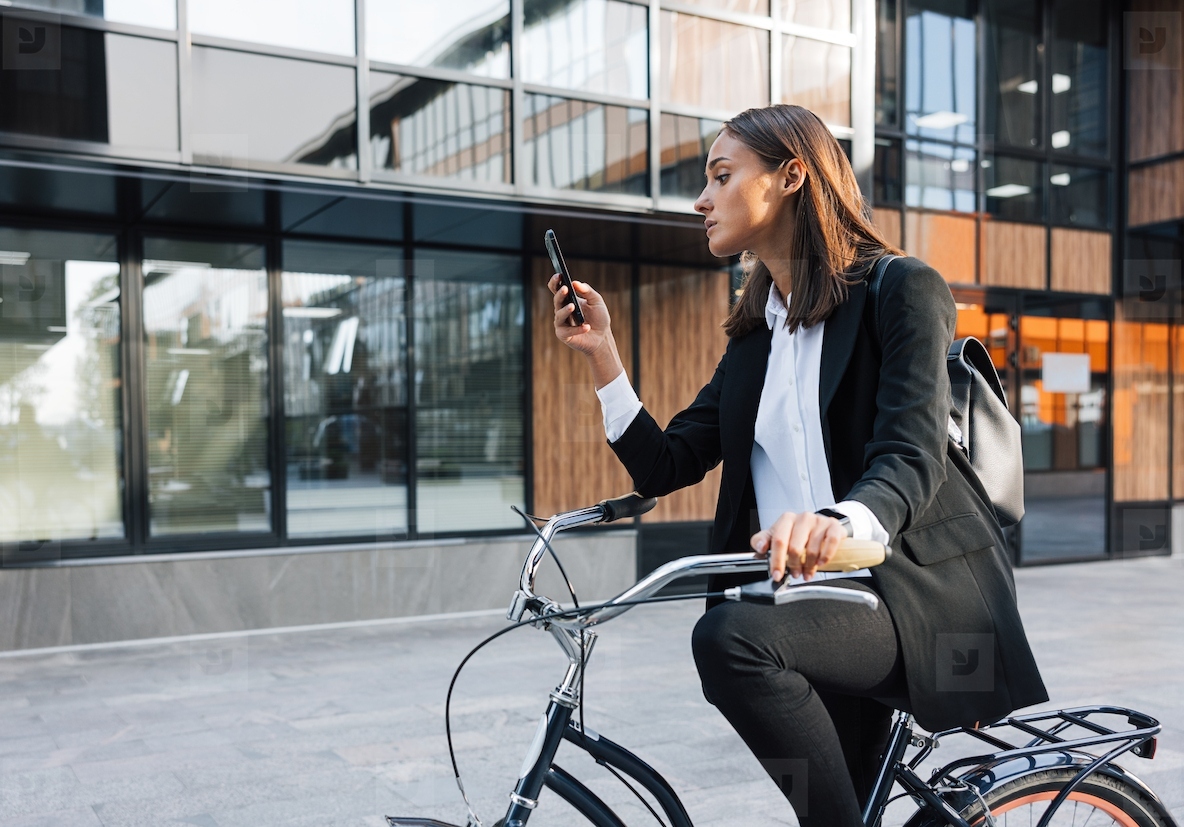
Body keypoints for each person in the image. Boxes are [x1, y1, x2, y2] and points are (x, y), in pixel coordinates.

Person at [548, 104, 1048, 827]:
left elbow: (909, 457)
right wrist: (603, 355)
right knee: (828, 801)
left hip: (912, 600)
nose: (701, 199)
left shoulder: (901, 290)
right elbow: (665, 463)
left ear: (791, 176)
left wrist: (835, 525)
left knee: (728, 640)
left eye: (722, 176)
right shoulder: (756, 336)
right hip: (816, 610)